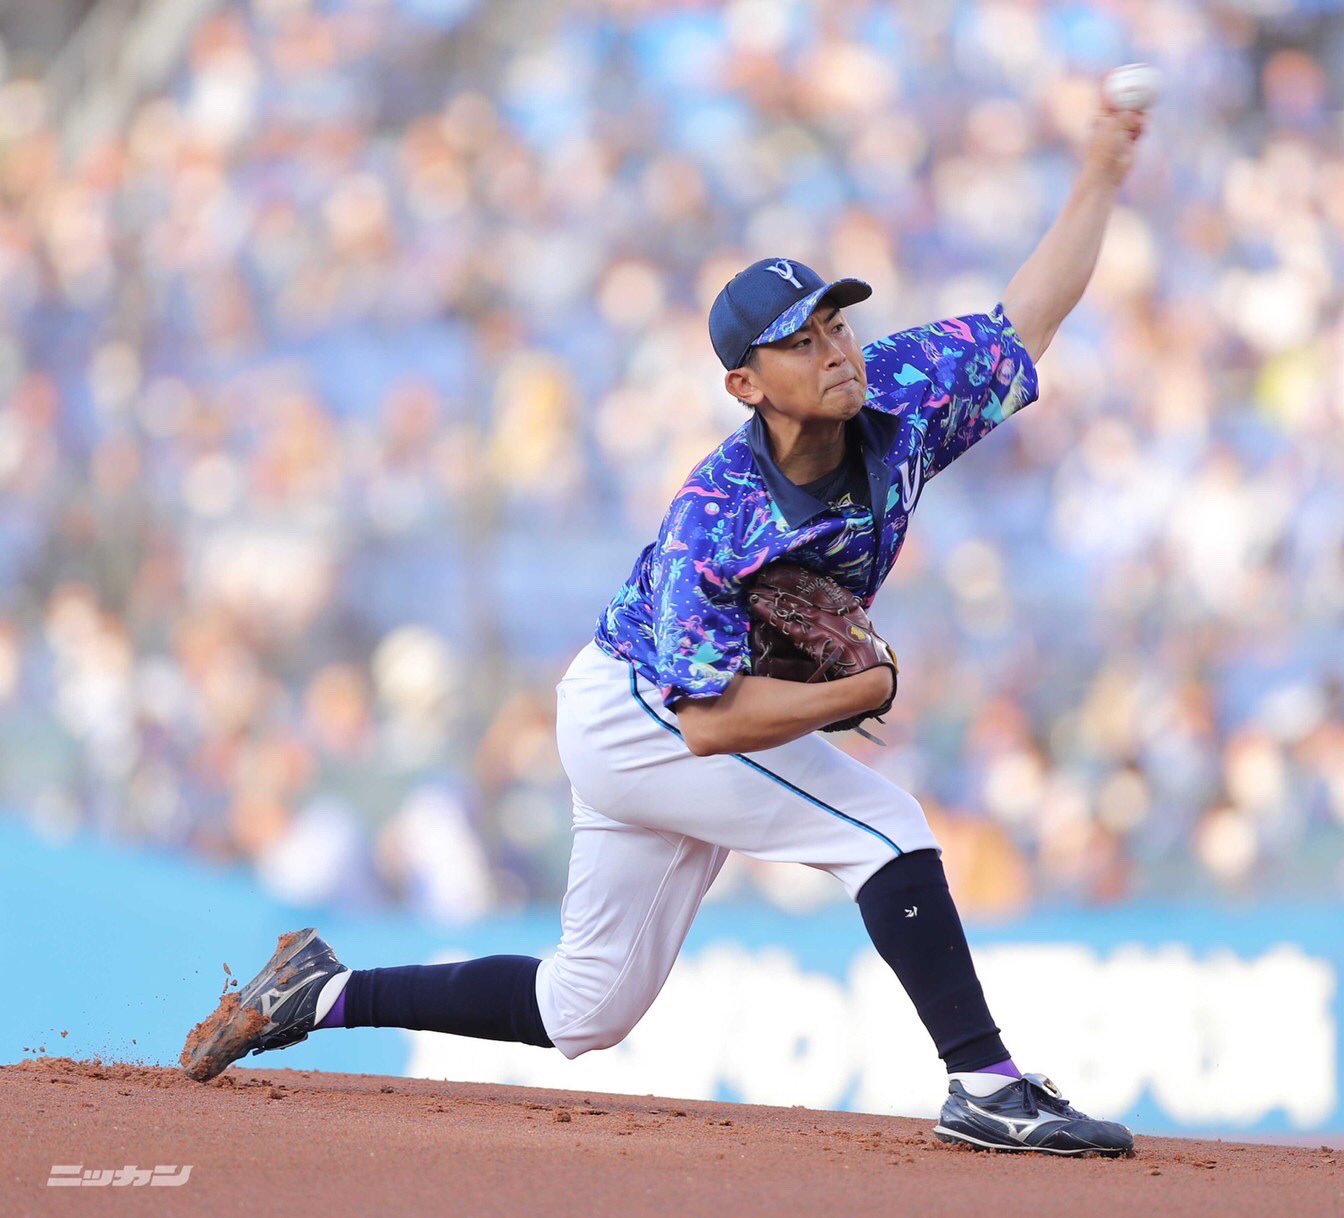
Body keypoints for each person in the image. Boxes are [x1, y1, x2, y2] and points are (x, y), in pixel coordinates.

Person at [183, 80, 1147, 1156]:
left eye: (836, 321)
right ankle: (986, 1084)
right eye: (800, 341)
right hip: (643, 713)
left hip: (657, 715)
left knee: (585, 1009)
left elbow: (1028, 322)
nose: (836, 349)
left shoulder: (902, 387)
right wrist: (860, 691)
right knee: (886, 829)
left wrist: (1100, 174)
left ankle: (320, 991)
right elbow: (710, 724)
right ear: (745, 385)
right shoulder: (716, 516)